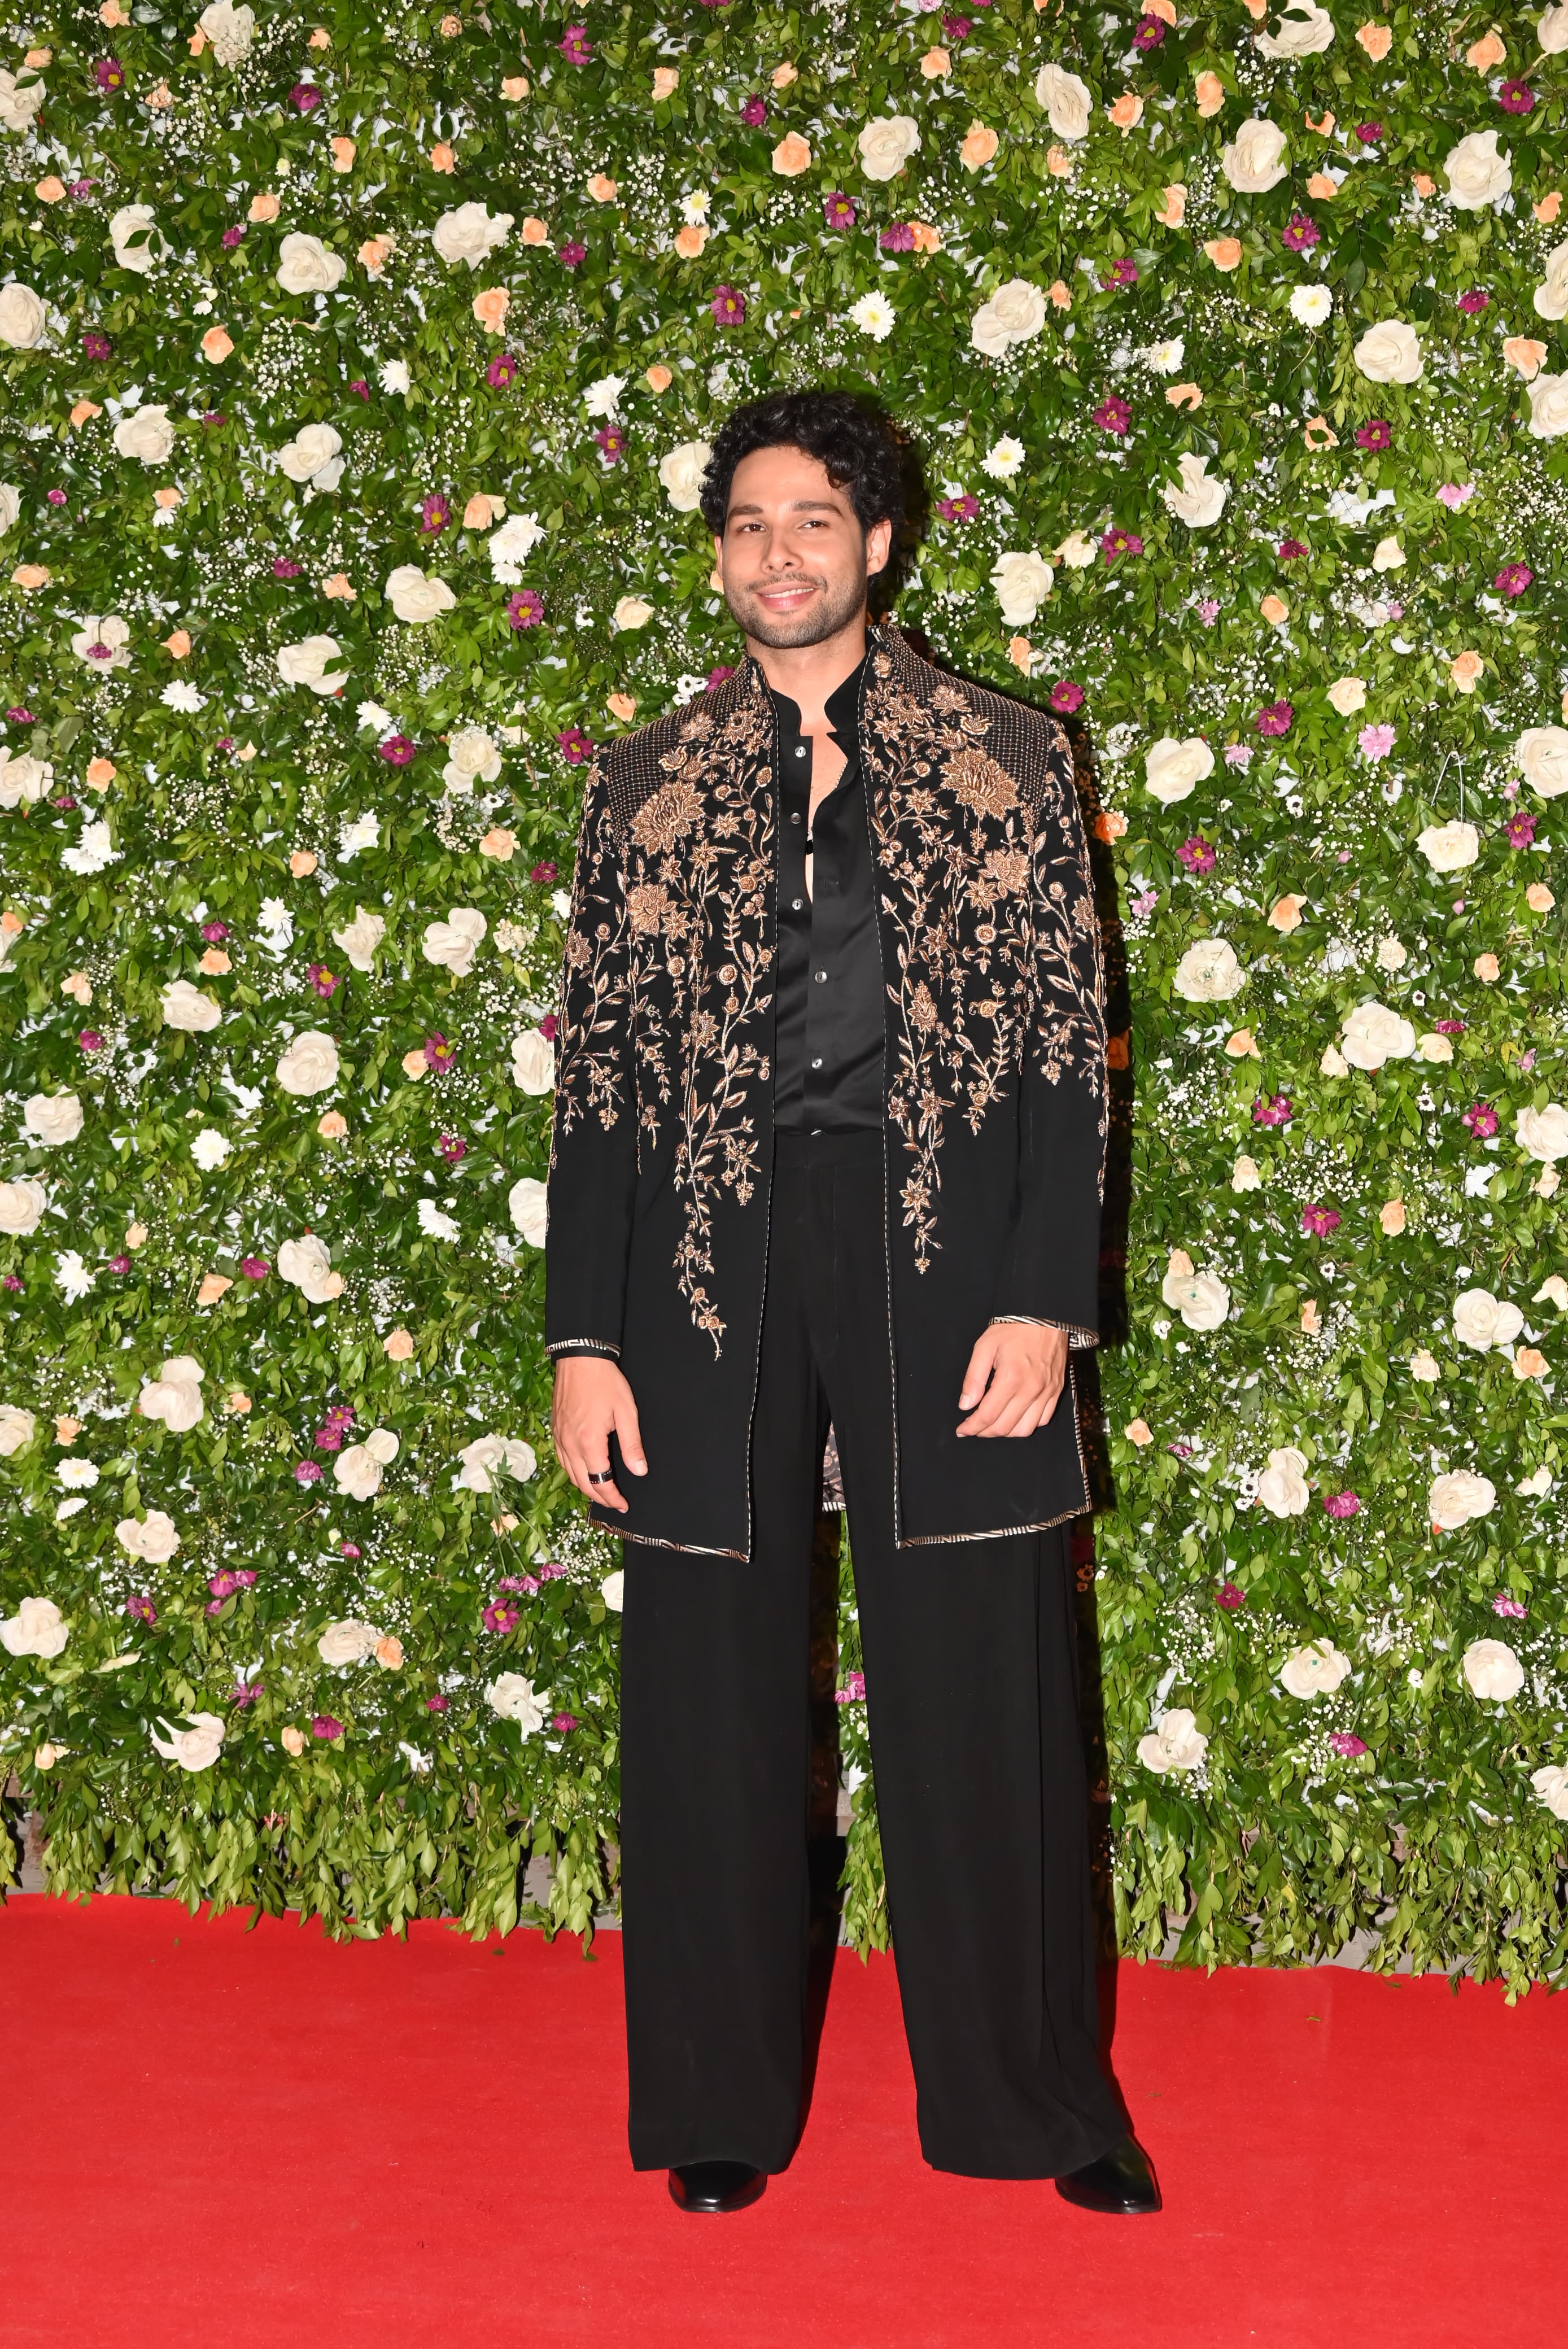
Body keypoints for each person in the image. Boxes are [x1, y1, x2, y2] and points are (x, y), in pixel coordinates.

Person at [545, 390, 1158, 2218]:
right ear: (719, 550)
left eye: (814, 518)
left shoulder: (1003, 757)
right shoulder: (643, 781)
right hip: (702, 1276)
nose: (779, 552)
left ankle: (1036, 2109)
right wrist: (584, 1339)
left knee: (986, 1690)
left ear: (879, 543)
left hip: (951, 1261)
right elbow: (596, 1091)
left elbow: (1068, 1055)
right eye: (747, 522)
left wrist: (1047, 1298)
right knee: (707, 1694)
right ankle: (721, 2104)